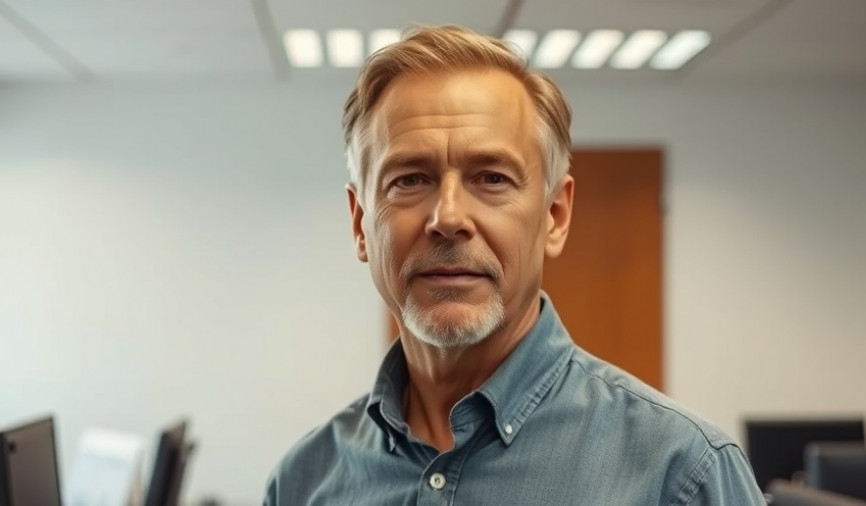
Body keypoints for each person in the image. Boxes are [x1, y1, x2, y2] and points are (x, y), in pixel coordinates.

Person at [265, 25, 765, 505]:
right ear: (359, 223)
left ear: (555, 215)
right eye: (410, 180)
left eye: (492, 178)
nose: (449, 218)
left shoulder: (682, 473)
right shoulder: (303, 482)